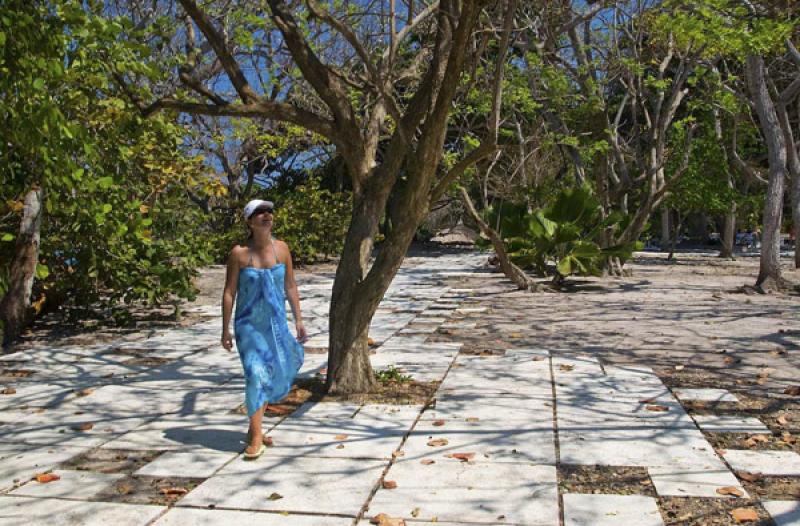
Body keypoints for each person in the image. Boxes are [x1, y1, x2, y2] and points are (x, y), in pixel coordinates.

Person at [221, 199, 307, 459]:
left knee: (271, 372)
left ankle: (253, 427)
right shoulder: (238, 253)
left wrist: (299, 320)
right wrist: (225, 329)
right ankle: (257, 436)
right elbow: (229, 292)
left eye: (268, 211)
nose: (266, 215)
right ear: (249, 221)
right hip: (248, 326)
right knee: (255, 373)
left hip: (275, 325)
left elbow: (290, 286)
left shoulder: (282, 249)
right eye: (259, 212)